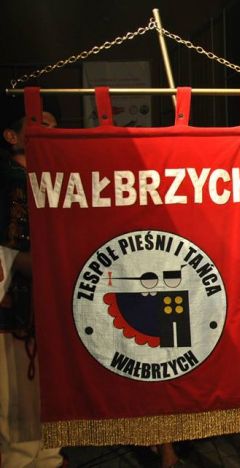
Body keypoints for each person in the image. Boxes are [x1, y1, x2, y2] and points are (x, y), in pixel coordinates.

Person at [0, 95, 64, 467]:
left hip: (44, 314)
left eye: (53, 126)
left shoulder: (51, 182)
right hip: (13, 316)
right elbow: (10, 252)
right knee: (19, 420)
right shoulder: (9, 182)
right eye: (39, 125)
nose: (50, 132)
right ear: (12, 136)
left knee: (45, 418)